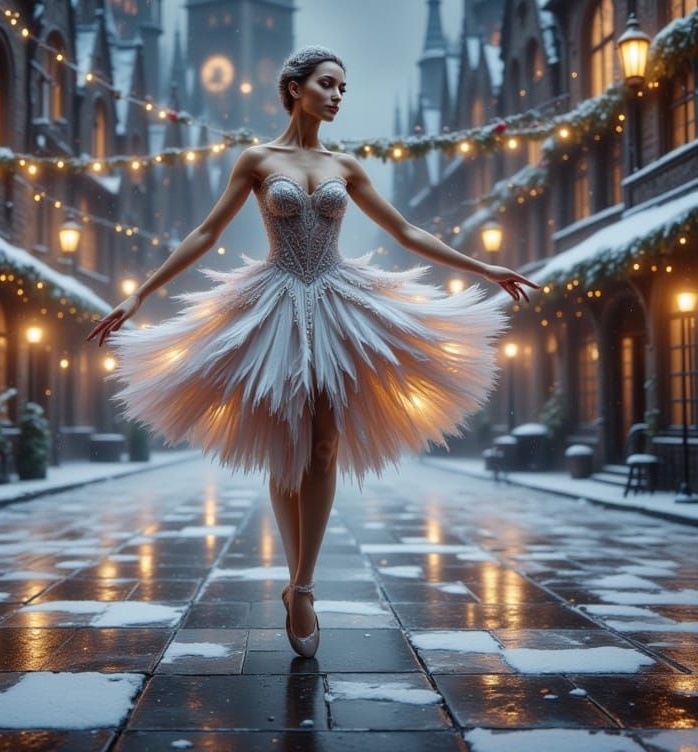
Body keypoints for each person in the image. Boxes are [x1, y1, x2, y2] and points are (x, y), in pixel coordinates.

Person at [85, 45, 540, 658]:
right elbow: (206, 232)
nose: (337, 96)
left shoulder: (344, 166)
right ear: (294, 87)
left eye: (343, 88)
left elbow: (405, 231)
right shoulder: (256, 159)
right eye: (327, 84)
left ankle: (302, 585)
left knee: (324, 445)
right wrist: (140, 293)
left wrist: (482, 267)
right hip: (273, 304)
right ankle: (295, 576)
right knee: (285, 450)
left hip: (337, 302)